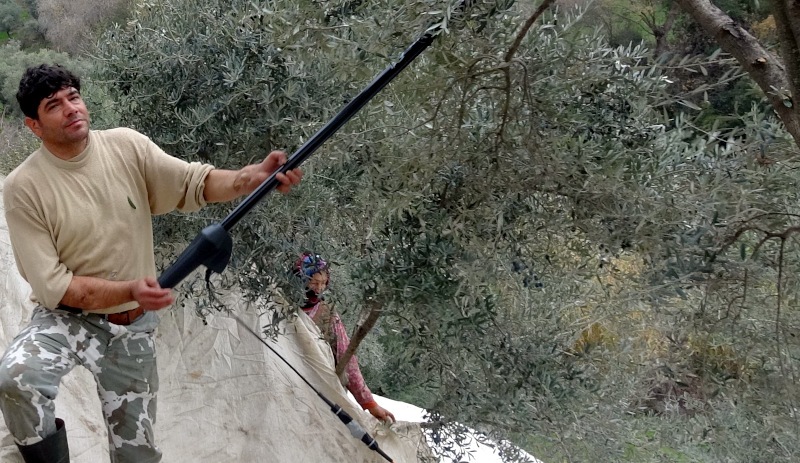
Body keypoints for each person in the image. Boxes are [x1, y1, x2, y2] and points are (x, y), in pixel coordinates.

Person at [0, 64, 303, 463]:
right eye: (53, 105)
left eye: (74, 96)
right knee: (17, 378)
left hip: (133, 327)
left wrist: (252, 177)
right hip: (66, 320)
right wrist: (130, 289)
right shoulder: (22, 188)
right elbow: (58, 287)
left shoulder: (127, 146)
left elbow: (195, 182)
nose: (71, 108)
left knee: (137, 456)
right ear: (34, 126)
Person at [294, 252, 396, 423]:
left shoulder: (328, 314)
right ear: (301, 278)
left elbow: (347, 358)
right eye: (314, 282)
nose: (319, 288)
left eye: (324, 283)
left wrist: (369, 403)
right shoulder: (280, 303)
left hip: (314, 393)